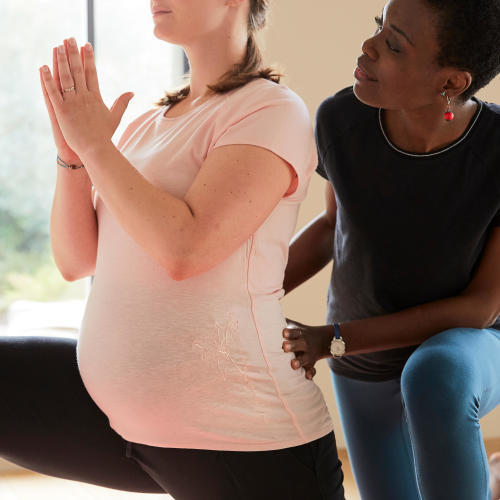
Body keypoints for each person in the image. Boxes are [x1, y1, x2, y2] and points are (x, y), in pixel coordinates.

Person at [0, 1, 346, 499]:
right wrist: (73, 155)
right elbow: (77, 260)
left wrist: (98, 147)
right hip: (119, 423)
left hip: (244, 442)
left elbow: (187, 250)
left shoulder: (270, 110)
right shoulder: (150, 124)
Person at [281, 0, 500, 499]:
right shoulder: (340, 119)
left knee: (433, 375)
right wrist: (241, 294)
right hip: (361, 362)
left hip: (468, 346)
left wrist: (332, 338)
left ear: (452, 82)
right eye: (379, 27)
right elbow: (334, 226)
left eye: (394, 44)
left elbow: (481, 307)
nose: (369, 46)